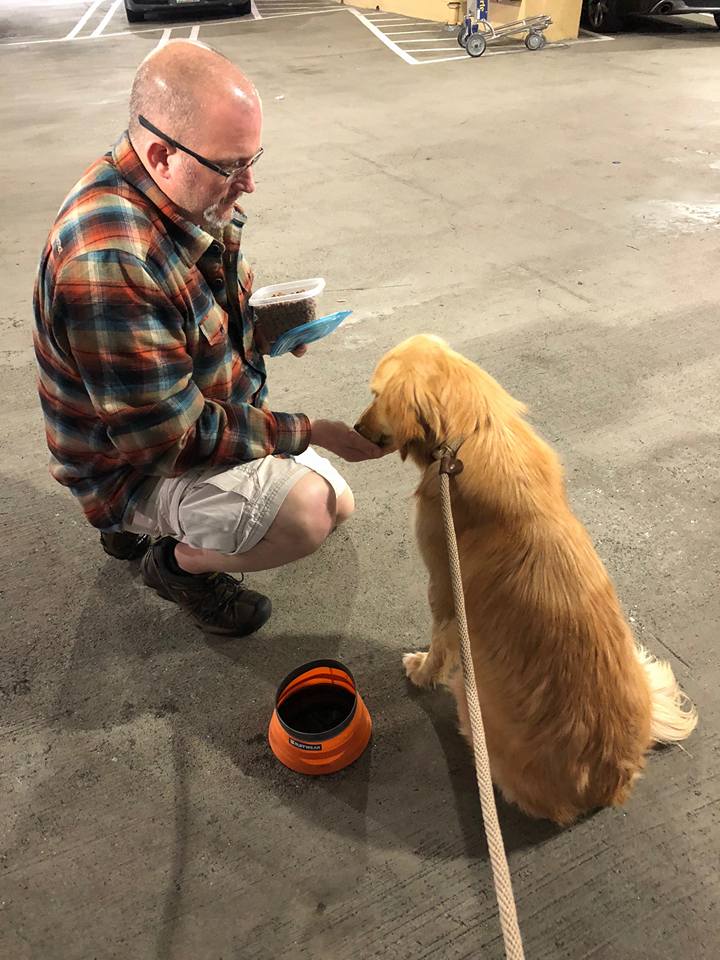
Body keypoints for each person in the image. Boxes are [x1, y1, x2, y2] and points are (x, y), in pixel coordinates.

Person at [32, 40, 384, 638]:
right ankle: (172, 562)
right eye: (230, 165)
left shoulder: (182, 192)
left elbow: (195, 308)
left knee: (326, 495)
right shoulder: (111, 260)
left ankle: (141, 527)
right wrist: (309, 430)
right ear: (163, 153)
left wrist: (265, 326)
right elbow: (169, 440)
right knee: (312, 513)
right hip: (135, 460)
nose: (248, 183)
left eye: (254, 158)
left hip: (161, 417)